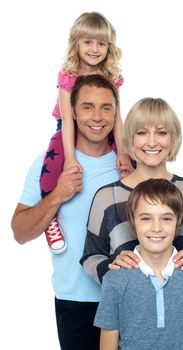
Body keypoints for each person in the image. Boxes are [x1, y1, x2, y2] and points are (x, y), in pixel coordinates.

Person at [11, 74, 122, 350]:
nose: (97, 116)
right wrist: (57, 195)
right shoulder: (48, 164)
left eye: (106, 107)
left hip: (129, 298)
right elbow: (20, 233)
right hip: (75, 303)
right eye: (87, 107)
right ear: (72, 111)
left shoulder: (130, 164)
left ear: (116, 112)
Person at [80, 97, 183, 284]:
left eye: (161, 133)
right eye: (141, 133)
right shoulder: (107, 198)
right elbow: (91, 257)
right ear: (130, 138)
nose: (151, 143)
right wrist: (110, 267)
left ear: (173, 138)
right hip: (129, 307)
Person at [41, 12, 133, 254]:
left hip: (104, 127)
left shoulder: (111, 76)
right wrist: (70, 159)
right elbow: (67, 119)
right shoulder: (68, 76)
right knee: (53, 162)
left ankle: (133, 217)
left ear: (109, 47)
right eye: (88, 42)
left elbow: (117, 116)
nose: (95, 49)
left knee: (132, 161)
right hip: (69, 125)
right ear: (76, 43)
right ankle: (51, 219)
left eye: (101, 43)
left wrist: (122, 152)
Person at [94, 178, 183, 350]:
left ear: (178, 222)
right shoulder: (114, 279)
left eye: (166, 218)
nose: (157, 228)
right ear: (133, 222)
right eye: (146, 218)